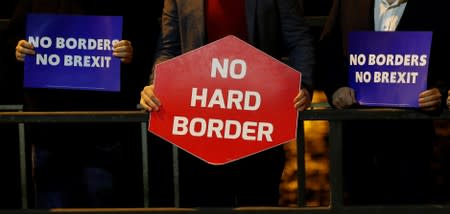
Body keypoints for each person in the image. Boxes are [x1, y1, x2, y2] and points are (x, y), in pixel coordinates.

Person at [140, 0, 315, 207]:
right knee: (205, 202)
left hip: (259, 124)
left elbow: (298, 40)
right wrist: (157, 85)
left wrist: (302, 84)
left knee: (258, 202)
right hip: (199, 129)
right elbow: (169, 48)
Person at [8, 0, 163, 208]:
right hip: (49, 131)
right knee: (52, 204)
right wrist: (18, 51)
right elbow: (11, 42)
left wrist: (132, 54)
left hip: (102, 132)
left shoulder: (127, 6)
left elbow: (149, 44)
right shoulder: (36, 2)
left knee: (101, 202)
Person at [318, 0, 449, 205]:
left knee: (409, 203)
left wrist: (439, 92)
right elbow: (328, 51)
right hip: (357, 139)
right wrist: (335, 87)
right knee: (358, 203)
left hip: (411, 139)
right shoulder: (348, 2)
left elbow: (445, 59)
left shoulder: (437, 6)